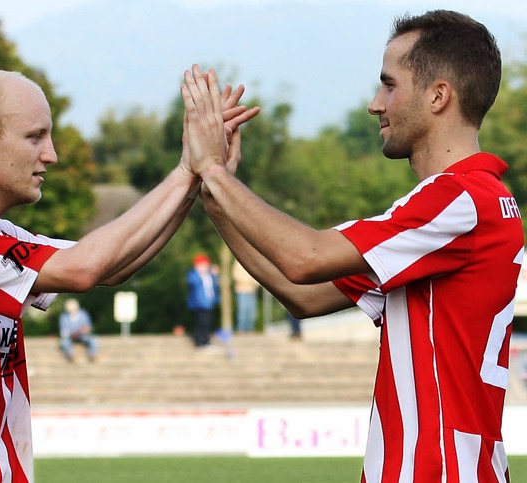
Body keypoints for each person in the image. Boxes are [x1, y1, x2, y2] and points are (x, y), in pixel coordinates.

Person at [181, 10, 522, 482]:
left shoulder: (461, 199)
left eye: (389, 84)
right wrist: (217, 198)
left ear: (438, 95)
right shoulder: (461, 205)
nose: (375, 104)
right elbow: (303, 294)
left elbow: (306, 258)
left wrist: (214, 170)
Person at [0, 67, 258, 482]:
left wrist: (200, 178)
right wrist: (190, 169)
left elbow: (110, 265)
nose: (51, 154)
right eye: (35, 137)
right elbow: (84, 268)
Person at [186, 253, 220, 348]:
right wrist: (200, 273)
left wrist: (215, 275)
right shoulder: (193, 275)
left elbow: (215, 287)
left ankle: (206, 340)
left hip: (209, 303)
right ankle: (200, 342)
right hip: (198, 304)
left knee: (208, 323)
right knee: (200, 323)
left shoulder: (210, 276)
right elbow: (192, 283)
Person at [59, 298, 98, 362]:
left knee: (94, 339)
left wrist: (84, 330)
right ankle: (71, 355)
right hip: (70, 337)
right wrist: (71, 333)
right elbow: (63, 332)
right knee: (64, 342)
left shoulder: (83, 314)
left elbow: (88, 327)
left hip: (83, 335)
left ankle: (92, 354)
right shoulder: (64, 317)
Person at [232, 258, 260, 333]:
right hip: (242, 290)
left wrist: (255, 283)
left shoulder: (254, 261)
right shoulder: (238, 262)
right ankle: (241, 329)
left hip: (252, 290)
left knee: (252, 312)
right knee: (243, 311)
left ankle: (250, 329)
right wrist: (249, 281)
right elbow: (236, 275)